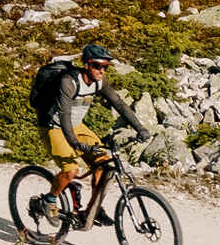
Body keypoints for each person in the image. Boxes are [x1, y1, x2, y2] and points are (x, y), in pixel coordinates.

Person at [32, 41, 142, 227]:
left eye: (105, 67)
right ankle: (49, 200)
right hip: (53, 126)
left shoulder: (100, 82)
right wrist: (74, 142)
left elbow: (119, 104)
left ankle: (93, 210)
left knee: (104, 164)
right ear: (86, 64)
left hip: (77, 126)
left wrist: (140, 128)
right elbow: (64, 115)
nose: (102, 71)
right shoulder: (69, 82)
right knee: (71, 170)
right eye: (97, 66)